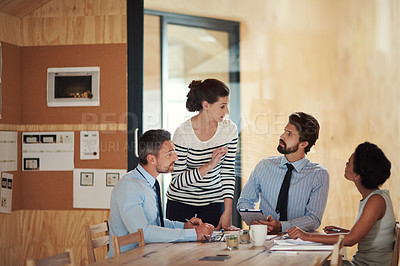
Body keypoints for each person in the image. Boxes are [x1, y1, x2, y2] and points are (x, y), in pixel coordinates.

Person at [107, 129, 215, 257]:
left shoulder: (148, 183)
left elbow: (155, 223)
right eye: (170, 154)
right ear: (151, 159)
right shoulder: (129, 187)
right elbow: (143, 233)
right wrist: (193, 234)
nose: (176, 157)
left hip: (148, 256)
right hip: (126, 260)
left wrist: (184, 227)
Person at [288, 142, 396, 266]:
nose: (346, 164)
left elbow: (351, 240)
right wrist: (344, 232)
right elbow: (364, 235)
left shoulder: (375, 201)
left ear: (357, 176)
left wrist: (306, 236)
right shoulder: (377, 197)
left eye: (349, 162)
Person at [237, 112, 329, 233]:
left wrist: (281, 226)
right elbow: (244, 202)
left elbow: (314, 219)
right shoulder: (264, 166)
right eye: (285, 131)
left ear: (304, 144)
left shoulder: (318, 175)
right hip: (264, 238)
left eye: (289, 134)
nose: (282, 136)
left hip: (298, 243)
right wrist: (258, 221)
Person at [166, 78, 238, 230]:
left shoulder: (229, 130)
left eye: (227, 105)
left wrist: (227, 210)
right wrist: (210, 165)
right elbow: (177, 180)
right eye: (222, 106)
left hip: (213, 202)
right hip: (180, 203)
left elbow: (227, 172)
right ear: (206, 105)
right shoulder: (183, 133)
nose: (227, 112)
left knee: (214, 250)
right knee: (178, 253)